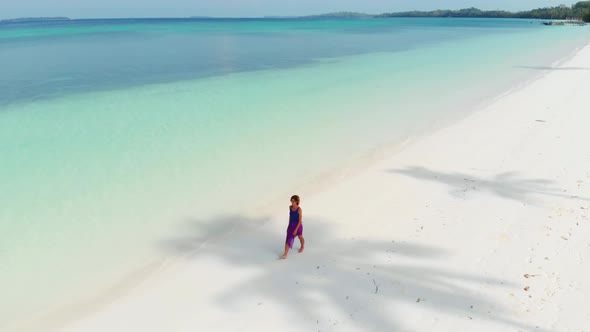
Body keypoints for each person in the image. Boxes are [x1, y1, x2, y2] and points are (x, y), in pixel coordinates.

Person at [279, 195, 304, 259]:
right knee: (288, 238)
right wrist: (289, 224)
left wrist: (296, 229)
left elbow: (300, 221)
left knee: (300, 237)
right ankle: (285, 254)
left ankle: (302, 246)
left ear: (296, 201)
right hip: (291, 225)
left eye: (293, 201)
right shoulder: (290, 207)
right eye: (291, 201)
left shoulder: (299, 210)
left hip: (298, 226)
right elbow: (290, 215)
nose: (292, 202)